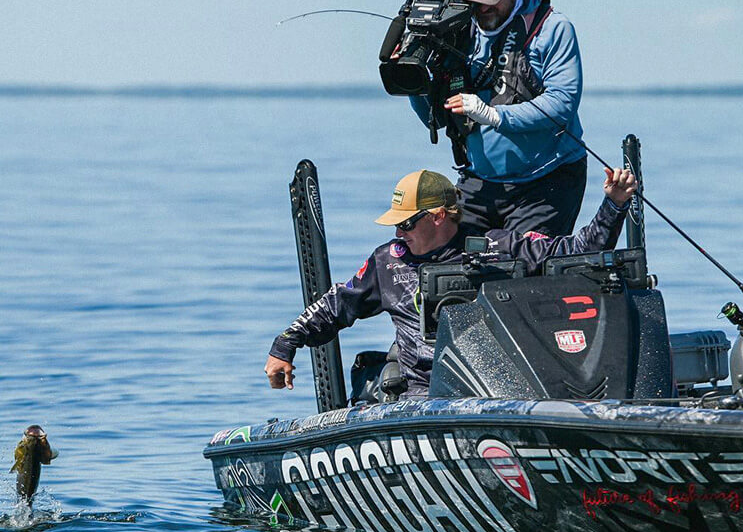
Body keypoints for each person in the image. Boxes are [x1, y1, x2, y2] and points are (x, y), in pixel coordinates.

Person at [264, 166, 636, 397]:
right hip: (424, 395)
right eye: (396, 222)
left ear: (440, 216)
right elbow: (335, 305)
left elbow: (579, 250)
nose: (399, 230)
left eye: (407, 222)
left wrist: (614, 204)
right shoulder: (387, 262)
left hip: (502, 389)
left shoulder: (500, 247)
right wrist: (285, 345)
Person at [408, 0, 587, 235]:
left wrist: (493, 114)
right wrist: (414, 83)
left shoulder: (553, 29)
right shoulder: (459, 29)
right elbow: (438, 119)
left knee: (519, 266)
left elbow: (562, 103)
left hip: (546, 180)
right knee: (443, 255)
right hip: (479, 182)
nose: (481, 7)